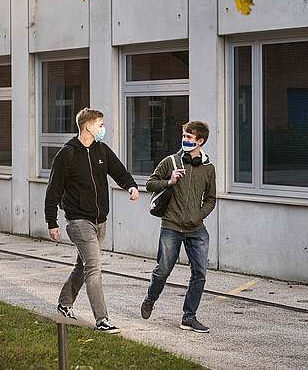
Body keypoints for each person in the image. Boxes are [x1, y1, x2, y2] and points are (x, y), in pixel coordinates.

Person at [45, 107, 139, 333]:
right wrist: (52, 221)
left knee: (83, 265)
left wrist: (131, 185)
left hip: (100, 221)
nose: (103, 129)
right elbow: (53, 191)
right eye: (100, 125)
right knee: (94, 268)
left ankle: (64, 304)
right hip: (78, 221)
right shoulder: (67, 154)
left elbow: (119, 171)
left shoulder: (102, 151)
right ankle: (102, 320)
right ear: (88, 126)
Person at [141, 120, 216, 333]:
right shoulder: (171, 162)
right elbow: (149, 184)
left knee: (199, 273)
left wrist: (199, 215)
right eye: (184, 136)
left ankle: (189, 318)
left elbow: (211, 198)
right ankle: (150, 298)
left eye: (190, 138)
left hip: (196, 228)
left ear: (200, 141)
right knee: (163, 269)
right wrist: (169, 182)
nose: (185, 140)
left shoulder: (208, 169)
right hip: (171, 226)